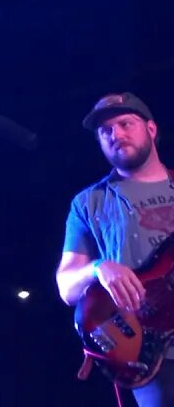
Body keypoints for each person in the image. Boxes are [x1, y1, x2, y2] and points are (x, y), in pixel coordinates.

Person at [58, 92, 169, 406]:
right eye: (105, 131)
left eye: (125, 123)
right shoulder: (88, 203)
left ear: (150, 129)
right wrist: (98, 267)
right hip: (150, 353)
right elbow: (66, 287)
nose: (116, 134)